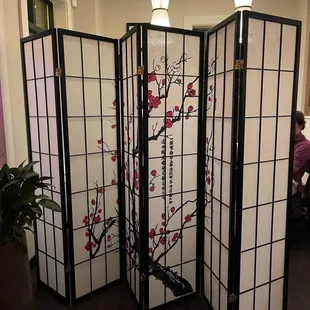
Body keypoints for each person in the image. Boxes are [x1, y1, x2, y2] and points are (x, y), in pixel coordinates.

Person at [293, 111, 310, 195]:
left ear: (301, 126)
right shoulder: (287, 141)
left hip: (292, 183)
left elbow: (291, 170)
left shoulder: (305, 145)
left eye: (293, 126)